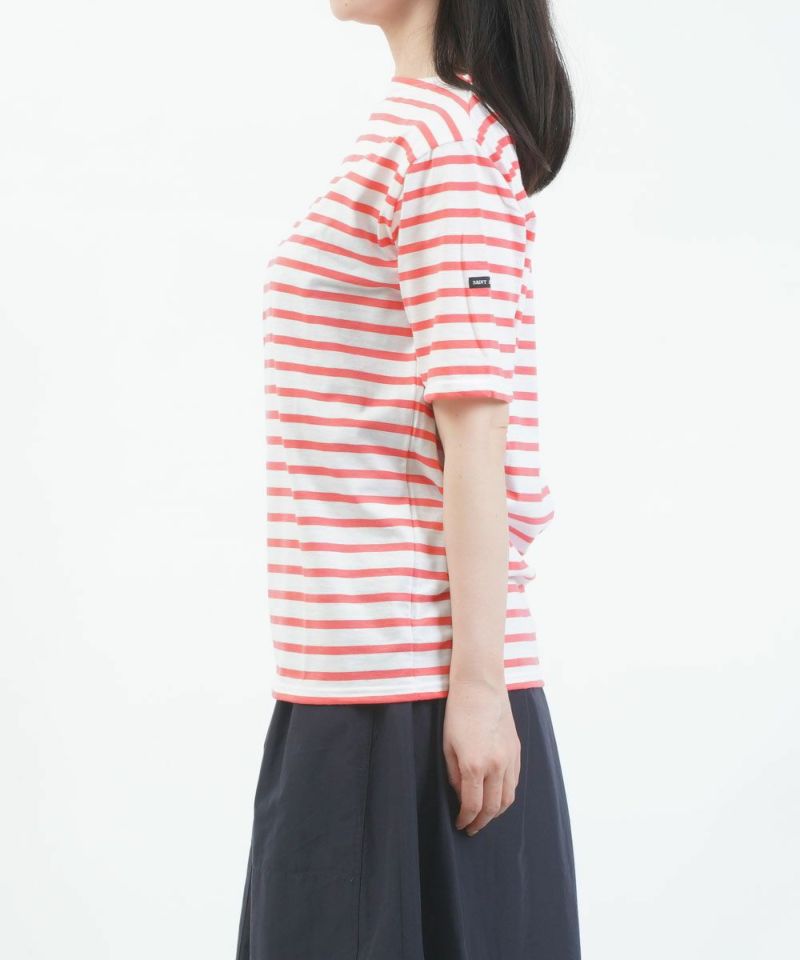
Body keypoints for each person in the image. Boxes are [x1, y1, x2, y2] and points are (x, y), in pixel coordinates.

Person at [236, 1, 580, 957]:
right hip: (346, 681)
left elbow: (476, 431)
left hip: (416, 698)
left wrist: (478, 687)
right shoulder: (413, 131)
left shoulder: (449, 149)